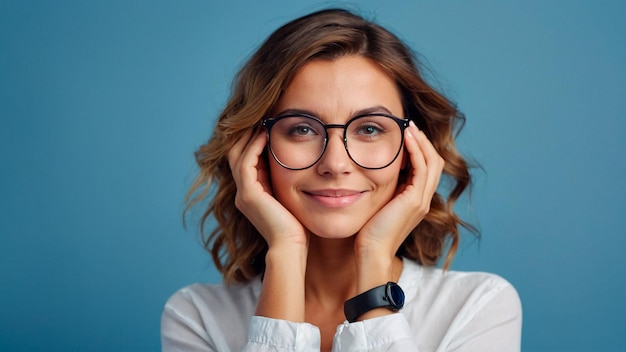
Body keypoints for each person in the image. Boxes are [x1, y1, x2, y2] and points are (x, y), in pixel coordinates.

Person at [161, 8, 522, 352]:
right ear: (254, 151)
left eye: (369, 128)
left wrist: (375, 257)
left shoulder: (476, 308)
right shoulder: (198, 316)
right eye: (301, 129)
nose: (336, 163)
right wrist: (285, 251)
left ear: (413, 151)